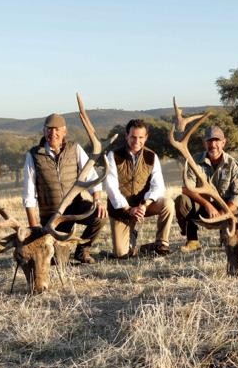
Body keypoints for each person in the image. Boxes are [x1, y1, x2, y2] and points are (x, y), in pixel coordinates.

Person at [22, 112, 107, 263]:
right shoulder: (34, 155)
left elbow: (92, 177)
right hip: (53, 218)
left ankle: (83, 251)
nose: (52, 133)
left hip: (75, 208)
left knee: (99, 217)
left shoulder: (75, 149)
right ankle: (59, 251)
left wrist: (98, 200)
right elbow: (29, 196)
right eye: (49, 129)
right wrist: (34, 228)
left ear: (64, 131)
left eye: (56, 129)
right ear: (44, 131)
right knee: (59, 261)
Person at [103, 119, 174, 258]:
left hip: (142, 206)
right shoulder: (113, 156)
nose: (137, 141)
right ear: (126, 136)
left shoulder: (152, 156)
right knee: (121, 254)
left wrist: (144, 205)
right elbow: (111, 187)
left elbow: (158, 185)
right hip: (121, 210)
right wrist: (128, 209)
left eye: (141, 137)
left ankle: (161, 244)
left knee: (168, 204)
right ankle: (131, 238)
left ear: (146, 137)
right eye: (133, 137)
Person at [174, 125, 238, 252]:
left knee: (235, 219)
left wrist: (223, 213)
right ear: (204, 143)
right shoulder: (193, 161)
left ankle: (226, 238)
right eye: (209, 141)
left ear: (224, 142)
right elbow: (186, 188)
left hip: (225, 209)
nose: (213, 145)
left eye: (217, 141)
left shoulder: (234, 166)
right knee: (182, 200)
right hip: (203, 208)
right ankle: (192, 240)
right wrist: (207, 205)